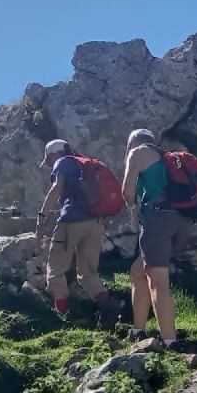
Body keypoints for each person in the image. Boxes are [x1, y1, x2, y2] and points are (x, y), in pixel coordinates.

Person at [121, 129, 197, 348]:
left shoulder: (138, 152)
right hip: (184, 224)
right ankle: (137, 331)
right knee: (138, 271)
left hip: (158, 220)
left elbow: (127, 190)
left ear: (134, 142)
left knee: (157, 281)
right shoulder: (171, 162)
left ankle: (170, 342)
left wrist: (133, 212)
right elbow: (195, 198)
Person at [37, 139, 122, 325]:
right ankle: (108, 307)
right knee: (87, 273)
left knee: (55, 271)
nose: (50, 164)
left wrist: (42, 216)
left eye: (49, 160)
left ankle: (63, 316)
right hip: (97, 222)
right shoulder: (85, 163)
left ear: (54, 154)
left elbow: (56, 189)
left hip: (72, 221)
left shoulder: (63, 162)